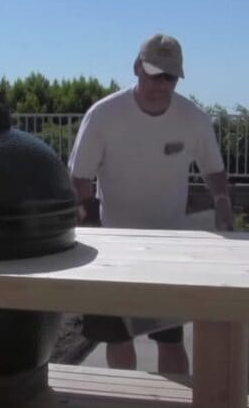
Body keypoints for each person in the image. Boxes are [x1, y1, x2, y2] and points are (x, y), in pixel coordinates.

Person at [68, 33, 233, 374]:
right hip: (115, 247)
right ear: (136, 68)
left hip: (170, 248)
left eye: (169, 76)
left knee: (170, 338)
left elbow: (214, 170)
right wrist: (92, 225)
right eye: (154, 73)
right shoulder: (104, 115)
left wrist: (221, 199)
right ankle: (124, 398)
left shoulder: (193, 118)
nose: (161, 83)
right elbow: (79, 176)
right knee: (118, 337)